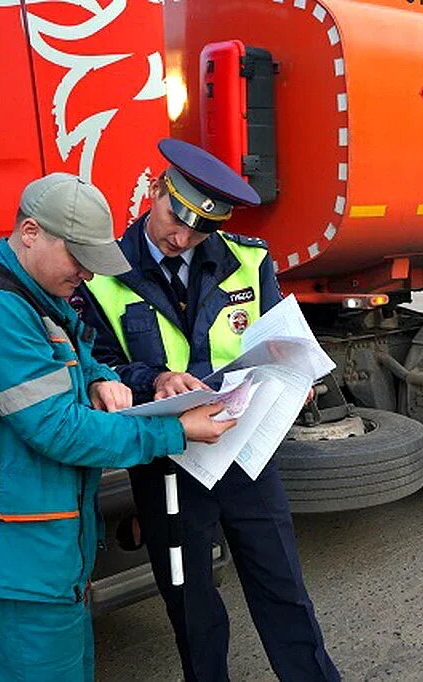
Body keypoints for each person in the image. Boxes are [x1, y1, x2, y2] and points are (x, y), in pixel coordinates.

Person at [0, 173, 236, 681]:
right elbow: (58, 429)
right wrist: (176, 432)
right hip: (16, 556)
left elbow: (77, 345)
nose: (87, 276)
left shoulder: (31, 290)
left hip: (36, 543)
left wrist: (98, 378)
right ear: (31, 232)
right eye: (79, 259)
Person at [76, 139, 339, 681]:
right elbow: (96, 366)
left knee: (282, 585)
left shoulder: (249, 259)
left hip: (244, 450)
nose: (182, 237)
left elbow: (279, 337)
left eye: (200, 230)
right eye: (176, 218)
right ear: (155, 191)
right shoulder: (102, 274)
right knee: (191, 603)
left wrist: (296, 376)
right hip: (170, 459)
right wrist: (154, 378)